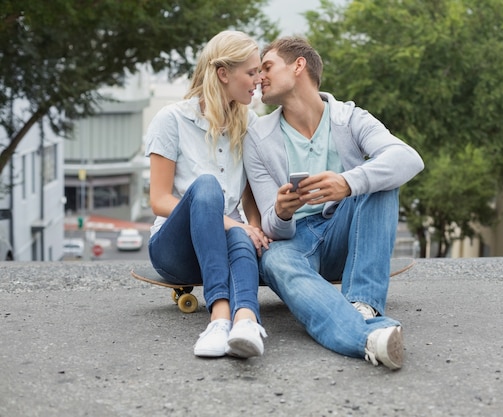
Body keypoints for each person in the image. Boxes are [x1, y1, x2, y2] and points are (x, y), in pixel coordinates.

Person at [243, 37, 424, 370]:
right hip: (296, 241)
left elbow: (408, 158)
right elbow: (271, 225)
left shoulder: (350, 118)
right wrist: (282, 212)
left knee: (380, 181)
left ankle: (362, 306)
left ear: (298, 65)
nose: (259, 78)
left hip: (346, 233)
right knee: (274, 261)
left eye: (267, 67)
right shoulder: (257, 136)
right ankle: (369, 335)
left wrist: (348, 182)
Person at [145, 30, 269, 359]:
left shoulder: (250, 124)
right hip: (175, 250)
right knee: (207, 186)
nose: (258, 79)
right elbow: (158, 200)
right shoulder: (171, 120)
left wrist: (252, 227)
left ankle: (244, 322)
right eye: (251, 72)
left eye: (259, 71)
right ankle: (218, 318)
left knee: (242, 237)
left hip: (224, 244)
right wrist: (234, 224)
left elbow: (249, 197)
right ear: (223, 74)